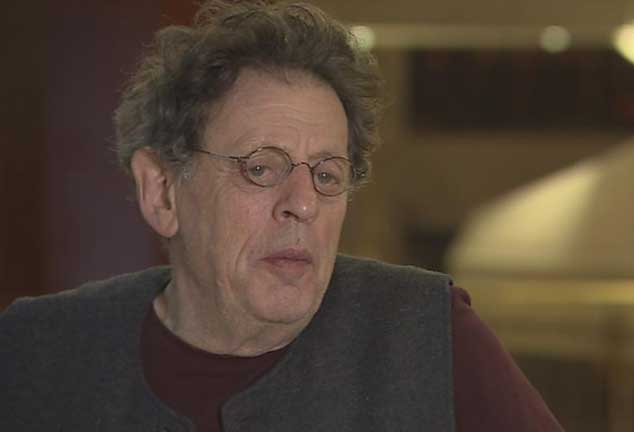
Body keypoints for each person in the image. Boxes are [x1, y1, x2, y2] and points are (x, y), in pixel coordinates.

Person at [0, 1, 563, 431]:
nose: (304, 203)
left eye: (327, 175)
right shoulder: (36, 349)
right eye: (261, 168)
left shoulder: (430, 333)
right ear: (163, 192)